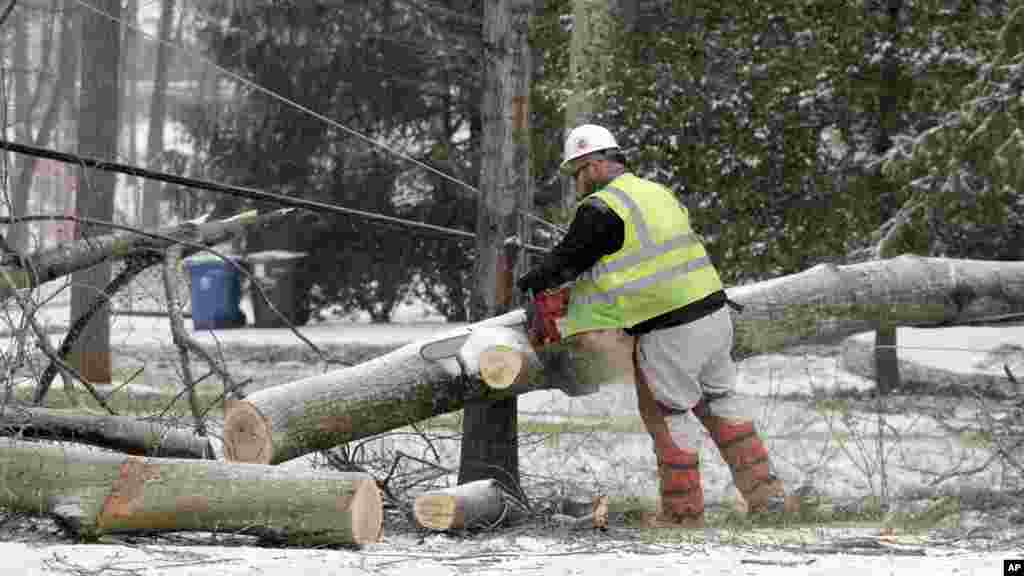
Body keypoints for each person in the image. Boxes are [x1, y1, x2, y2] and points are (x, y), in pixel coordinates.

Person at [516, 124, 795, 528]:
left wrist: (530, 283)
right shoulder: (655, 192)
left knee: (667, 415)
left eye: (577, 172)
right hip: (714, 315)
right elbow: (629, 262)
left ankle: (682, 516)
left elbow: (568, 260)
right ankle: (768, 498)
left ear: (594, 165)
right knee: (721, 405)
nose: (576, 182)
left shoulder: (601, 208)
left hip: (670, 329)